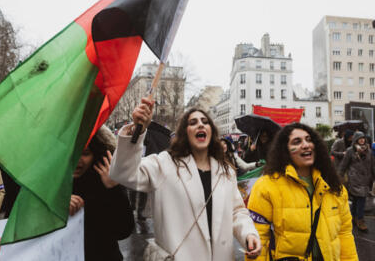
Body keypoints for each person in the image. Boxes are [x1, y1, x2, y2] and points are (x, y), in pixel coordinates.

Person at [109, 98, 261, 260]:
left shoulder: (226, 171)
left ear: (212, 132)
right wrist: (137, 131)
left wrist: (248, 234)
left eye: (205, 121)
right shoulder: (164, 163)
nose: (200, 125)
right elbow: (123, 173)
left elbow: (237, 212)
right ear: (184, 133)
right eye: (193, 122)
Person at [247, 123, 358, 261]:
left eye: (309, 139)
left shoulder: (334, 185)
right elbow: (258, 238)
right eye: (297, 141)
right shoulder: (266, 186)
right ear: (285, 150)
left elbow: (345, 233)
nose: (306, 145)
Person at [69, 126, 134, 261]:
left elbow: (124, 230)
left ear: (96, 154)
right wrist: (57, 205)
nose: (77, 160)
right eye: (72, 151)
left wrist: (113, 188)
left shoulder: (106, 179)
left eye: (85, 153)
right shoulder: (52, 183)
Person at [339, 132, 375, 232]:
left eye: (363, 138)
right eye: (360, 138)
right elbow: (343, 165)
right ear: (356, 139)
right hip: (354, 179)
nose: (362, 140)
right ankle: (360, 221)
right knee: (361, 199)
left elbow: (373, 165)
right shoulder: (350, 151)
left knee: (357, 200)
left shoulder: (368, 151)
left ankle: (353, 217)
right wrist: (339, 177)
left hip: (366, 179)